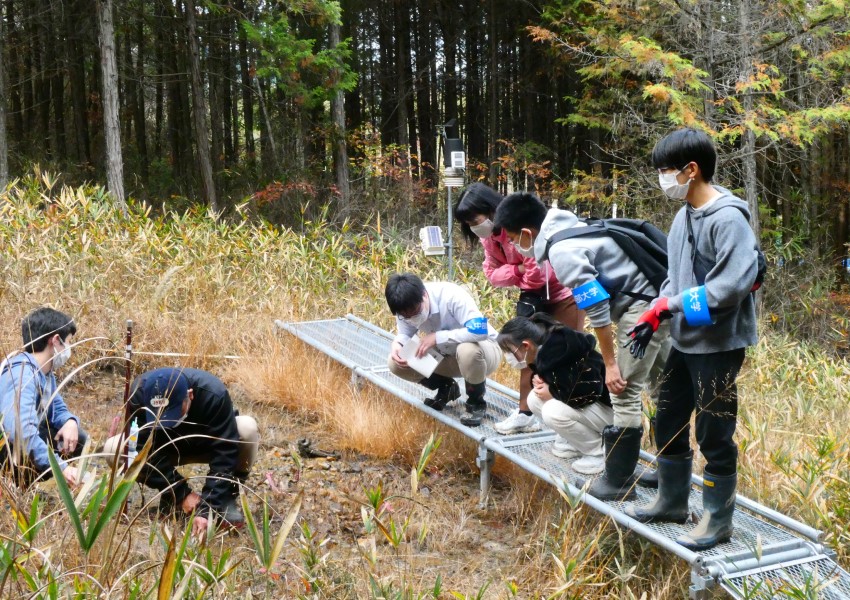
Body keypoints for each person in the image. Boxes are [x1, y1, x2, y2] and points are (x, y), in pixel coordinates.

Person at [624, 128, 760, 550]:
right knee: (668, 417)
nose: (663, 179)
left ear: (691, 170)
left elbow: (731, 286)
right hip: (684, 340)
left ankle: (718, 521)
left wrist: (670, 305)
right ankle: (671, 500)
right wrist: (656, 308)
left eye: (666, 171)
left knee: (715, 432)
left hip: (719, 344)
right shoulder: (683, 214)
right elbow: (674, 276)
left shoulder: (728, 218)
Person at [493, 192, 670, 500]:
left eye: (512, 239)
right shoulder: (570, 226)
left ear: (526, 232)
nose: (515, 247)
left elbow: (597, 306)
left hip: (641, 308)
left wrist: (611, 363)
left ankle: (618, 481)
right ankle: (668, 470)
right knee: (664, 385)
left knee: (623, 391)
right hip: (657, 301)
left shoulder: (562, 249)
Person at [455, 183, 584, 438]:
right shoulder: (489, 238)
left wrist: (517, 273)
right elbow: (491, 274)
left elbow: (537, 272)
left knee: (568, 357)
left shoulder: (519, 225)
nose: (473, 225)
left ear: (490, 209)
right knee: (526, 352)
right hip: (533, 298)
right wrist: (518, 270)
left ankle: (573, 425)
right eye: (468, 222)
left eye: (474, 218)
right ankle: (526, 414)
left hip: (565, 295)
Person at [104, 367, 259, 536]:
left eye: (174, 412)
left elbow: (225, 452)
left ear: (190, 395)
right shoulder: (139, 395)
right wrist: (180, 492)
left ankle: (227, 496)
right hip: (164, 450)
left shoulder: (213, 393)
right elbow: (139, 448)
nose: (167, 422)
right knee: (114, 449)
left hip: (206, 446)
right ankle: (170, 499)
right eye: (159, 415)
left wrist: (209, 508)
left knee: (246, 428)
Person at [497, 314, 612, 474]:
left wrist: (552, 391)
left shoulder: (567, 350)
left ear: (525, 346)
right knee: (534, 399)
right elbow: (561, 380)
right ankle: (575, 442)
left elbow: (589, 391)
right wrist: (542, 381)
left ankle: (599, 452)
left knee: (552, 411)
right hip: (594, 409)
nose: (508, 357)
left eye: (510, 351)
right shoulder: (547, 350)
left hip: (613, 413)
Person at [385, 273, 501, 427]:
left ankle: (476, 403)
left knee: (467, 350)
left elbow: (480, 331)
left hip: (483, 352)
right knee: (395, 363)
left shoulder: (451, 295)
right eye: (405, 316)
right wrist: (398, 344)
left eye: (416, 311)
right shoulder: (404, 307)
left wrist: (438, 337)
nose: (412, 317)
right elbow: (405, 334)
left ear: (424, 295)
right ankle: (447, 388)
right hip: (447, 355)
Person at [0, 307, 87, 487]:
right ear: (55, 340)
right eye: (68, 342)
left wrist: (70, 421)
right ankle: (11, 486)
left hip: (15, 445)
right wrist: (61, 467)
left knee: (77, 437)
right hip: (6, 448)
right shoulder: (22, 374)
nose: (69, 349)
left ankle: (22, 486)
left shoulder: (45, 374)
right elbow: (19, 430)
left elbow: (57, 407)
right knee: (29, 440)